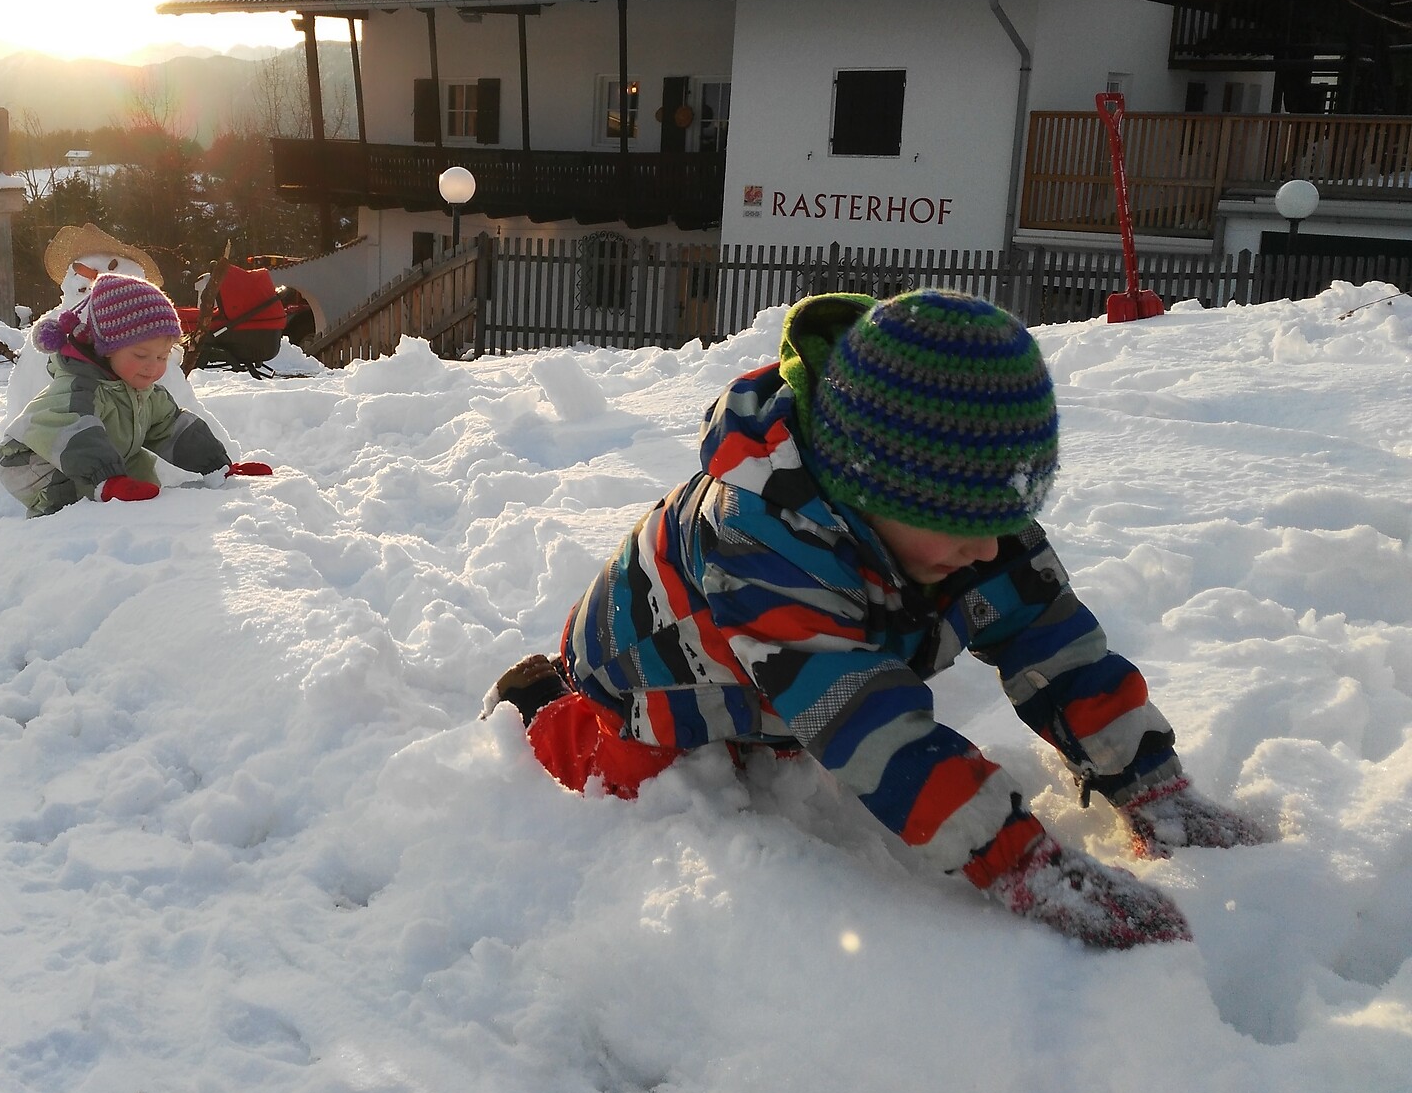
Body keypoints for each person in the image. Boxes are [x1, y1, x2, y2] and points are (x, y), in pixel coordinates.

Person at [487, 289, 1269, 949]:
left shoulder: (962, 526)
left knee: (815, 706)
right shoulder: (764, 547)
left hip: (783, 665)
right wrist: (1024, 863)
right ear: (870, 490)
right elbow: (872, 728)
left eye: (1010, 512)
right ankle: (542, 705)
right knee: (633, 774)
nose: (991, 545)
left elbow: (1056, 647)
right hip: (652, 671)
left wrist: (1152, 786)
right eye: (968, 522)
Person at [0, 272, 272, 517]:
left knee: (144, 482)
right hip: (32, 459)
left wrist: (217, 466)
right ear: (107, 348)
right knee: (73, 495)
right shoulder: (79, 389)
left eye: (163, 357)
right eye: (141, 355)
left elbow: (172, 428)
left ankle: (121, 503)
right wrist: (108, 481)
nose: (153, 367)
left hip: (99, 454)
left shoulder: (142, 392)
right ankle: (59, 529)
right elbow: (77, 436)